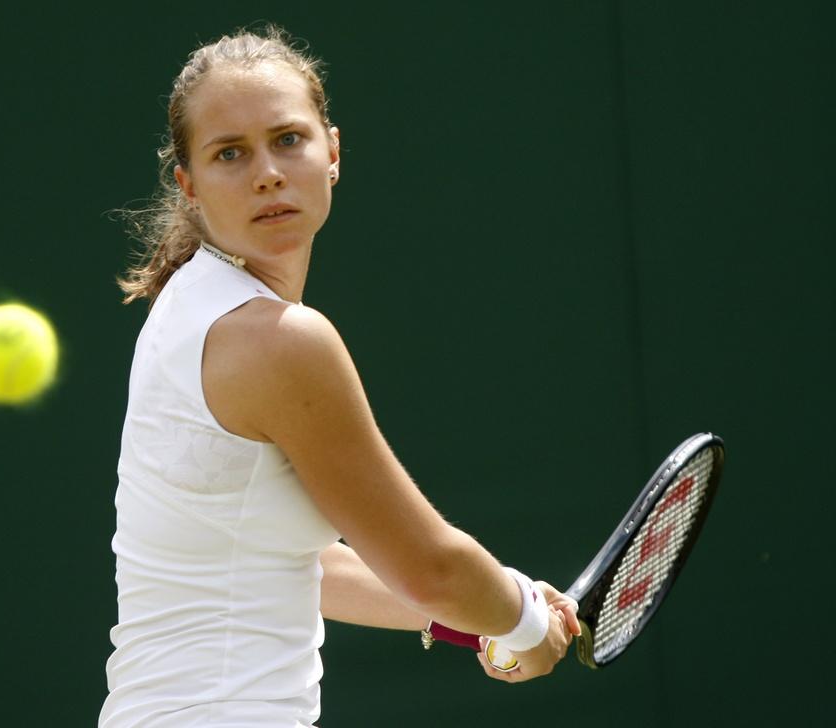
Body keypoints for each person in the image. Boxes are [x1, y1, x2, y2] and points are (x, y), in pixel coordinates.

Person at [100, 26, 581, 728]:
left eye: (287, 139)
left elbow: (301, 560)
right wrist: (521, 618)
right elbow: (431, 568)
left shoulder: (187, 308)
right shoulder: (278, 340)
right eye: (230, 153)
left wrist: (479, 621)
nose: (266, 170)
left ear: (332, 152)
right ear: (189, 184)